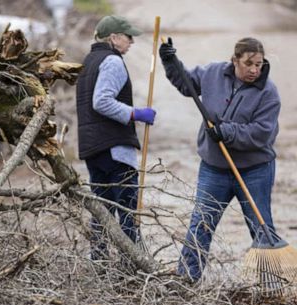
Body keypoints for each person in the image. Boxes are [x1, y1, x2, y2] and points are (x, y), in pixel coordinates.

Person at [159, 37, 281, 282]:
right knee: (201, 223)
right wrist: (170, 61)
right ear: (234, 60)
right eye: (249, 63)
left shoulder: (268, 92)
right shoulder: (213, 73)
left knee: (261, 227)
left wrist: (226, 132)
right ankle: (186, 280)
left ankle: (273, 283)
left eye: (259, 64)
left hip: (254, 170)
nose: (255, 69)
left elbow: (262, 133)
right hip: (214, 168)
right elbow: (187, 85)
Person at [76, 15, 156, 260]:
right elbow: (101, 101)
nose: (131, 41)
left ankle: (100, 266)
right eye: (128, 36)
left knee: (102, 213)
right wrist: (135, 113)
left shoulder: (89, 61)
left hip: (93, 148)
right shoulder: (112, 61)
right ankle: (132, 268)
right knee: (127, 214)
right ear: (113, 38)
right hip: (114, 149)